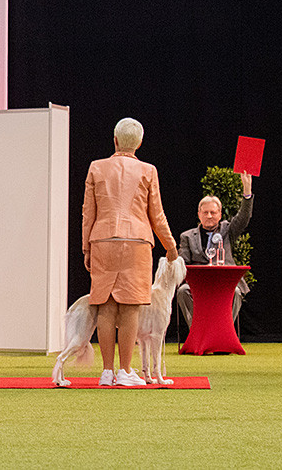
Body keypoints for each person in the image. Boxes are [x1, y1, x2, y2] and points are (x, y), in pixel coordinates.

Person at [82, 117, 179, 386]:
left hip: (102, 240)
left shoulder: (95, 167)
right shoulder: (148, 170)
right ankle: (125, 371)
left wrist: (86, 247)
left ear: (114, 140)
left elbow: (88, 213)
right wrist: (170, 246)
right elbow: (157, 215)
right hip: (137, 243)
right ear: (139, 143)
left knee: (105, 306)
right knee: (130, 308)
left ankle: (107, 372)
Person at [176, 172, 254, 326]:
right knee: (182, 291)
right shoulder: (187, 236)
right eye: (205, 212)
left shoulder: (228, 230)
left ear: (220, 214)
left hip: (224, 282)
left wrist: (247, 191)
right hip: (199, 284)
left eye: (213, 212)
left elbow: (244, 217)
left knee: (236, 292)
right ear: (199, 215)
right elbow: (182, 265)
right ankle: (198, 329)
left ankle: (224, 330)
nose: (209, 216)